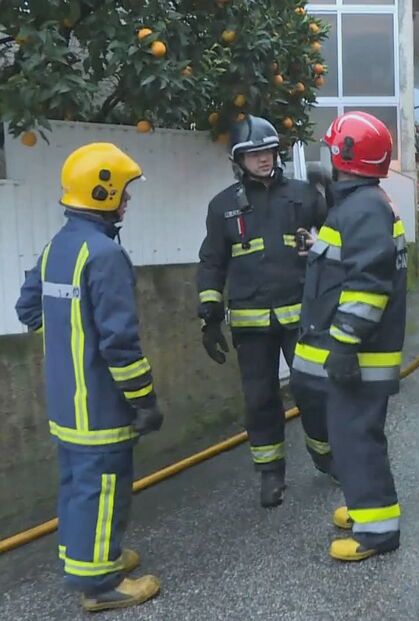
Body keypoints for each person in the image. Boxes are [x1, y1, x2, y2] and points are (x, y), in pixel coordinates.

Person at [15, 143, 162, 612]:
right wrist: (145, 400)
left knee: (79, 483)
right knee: (103, 486)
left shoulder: (57, 246)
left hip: (64, 399)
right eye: (124, 192)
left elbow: (28, 310)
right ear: (105, 193)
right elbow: (119, 344)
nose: (128, 200)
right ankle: (99, 585)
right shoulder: (105, 255)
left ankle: (88, 556)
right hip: (99, 401)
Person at [291, 111, 408, 562]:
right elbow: (350, 267)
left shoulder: (361, 209)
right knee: (353, 436)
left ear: (344, 156)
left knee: (355, 438)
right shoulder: (364, 205)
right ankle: (367, 510)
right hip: (361, 352)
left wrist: (344, 345)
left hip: (359, 355)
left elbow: (367, 286)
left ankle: (377, 533)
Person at [196, 115, 328, 508]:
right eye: (254, 154)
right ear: (239, 160)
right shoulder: (222, 207)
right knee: (259, 399)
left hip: (301, 320)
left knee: (313, 390)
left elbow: (334, 245)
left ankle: (325, 453)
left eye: (268, 151)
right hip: (252, 324)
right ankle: (270, 474)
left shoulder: (305, 196)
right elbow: (211, 263)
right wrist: (209, 312)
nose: (264, 159)